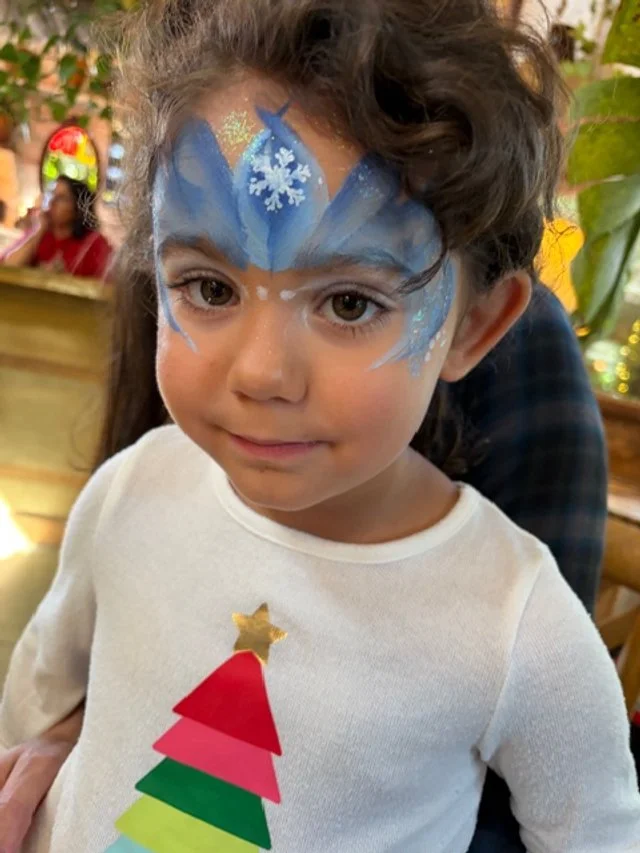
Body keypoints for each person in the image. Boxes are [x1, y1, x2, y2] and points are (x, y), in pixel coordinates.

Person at [0, 1, 638, 851]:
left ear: (477, 326)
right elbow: (39, 702)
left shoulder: (514, 622)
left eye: (349, 302)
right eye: (210, 288)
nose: (261, 371)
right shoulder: (129, 492)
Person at [1, 176, 112, 279]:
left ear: (78, 208)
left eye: (61, 198)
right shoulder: (40, 234)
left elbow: (103, 286)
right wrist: (38, 232)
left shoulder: (94, 243)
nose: (52, 202)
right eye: (52, 195)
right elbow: (7, 268)